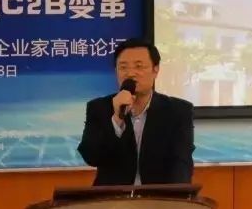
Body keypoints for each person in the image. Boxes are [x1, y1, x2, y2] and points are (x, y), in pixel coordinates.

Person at [77, 38, 195, 186]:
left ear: (155, 70)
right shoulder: (99, 108)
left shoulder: (178, 110)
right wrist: (117, 119)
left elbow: (181, 161)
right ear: (116, 71)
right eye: (123, 67)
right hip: (113, 197)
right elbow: (91, 157)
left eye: (139, 66)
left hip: (158, 197)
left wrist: (177, 196)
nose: (131, 73)